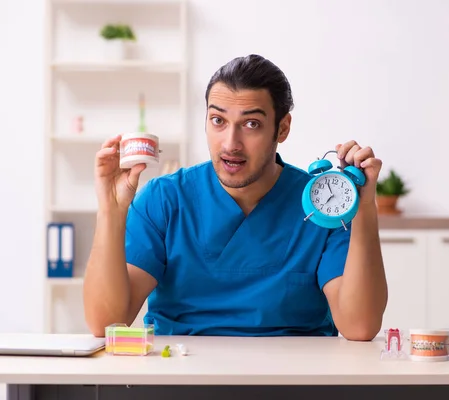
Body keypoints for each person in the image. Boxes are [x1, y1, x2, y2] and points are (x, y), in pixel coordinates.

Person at [83, 54, 387, 341]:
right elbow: (107, 322)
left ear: (282, 128)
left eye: (251, 124)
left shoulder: (325, 204)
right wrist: (111, 209)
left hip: (294, 379)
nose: (230, 143)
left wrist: (364, 208)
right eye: (218, 121)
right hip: (182, 374)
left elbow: (359, 327)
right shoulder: (165, 200)